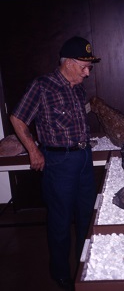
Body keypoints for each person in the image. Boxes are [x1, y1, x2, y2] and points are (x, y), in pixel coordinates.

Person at [10, 36, 101, 290]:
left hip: (83, 158)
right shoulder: (42, 86)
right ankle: (60, 273)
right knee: (60, 220)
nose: (87, 73)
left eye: (89, 67)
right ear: (69, 63)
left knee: (87, 215)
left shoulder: (77, 88)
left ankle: (87, 266)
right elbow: (17, 118)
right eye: (84, 66)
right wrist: (33, 151)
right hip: (59, 162)